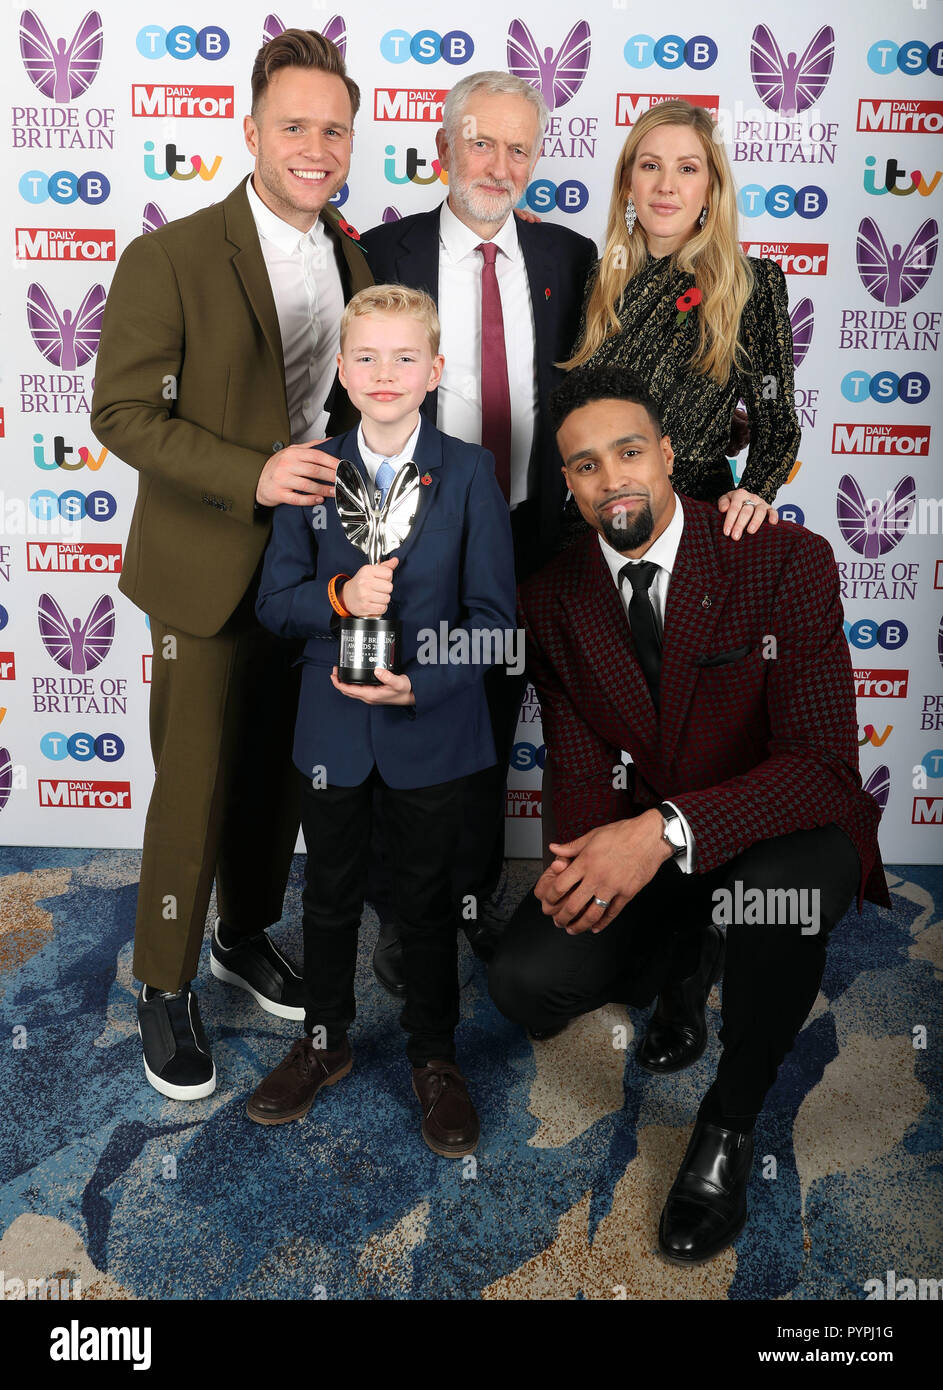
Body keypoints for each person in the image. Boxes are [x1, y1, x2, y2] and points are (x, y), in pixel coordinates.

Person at [489, 367, 889, 1262]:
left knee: (772, 899)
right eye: (585, 466)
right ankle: (683, 962)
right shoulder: (551, 600)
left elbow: (823, 767)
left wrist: (662, 830)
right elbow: (582, 764)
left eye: (629, 452)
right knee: (525, 979)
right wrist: (585, 862)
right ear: (568, 484)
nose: (612, 478)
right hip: (662, 848)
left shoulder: (784, 558)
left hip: (784, 833)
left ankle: (728, 1123)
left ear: (669, 456)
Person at [90, 29, 372, 1101]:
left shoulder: (351, 254)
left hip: (308, 564)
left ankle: (242, 938)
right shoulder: (169, 256)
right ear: (251, 131)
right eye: (293, 126)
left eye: (332, 128)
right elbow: (120, 409)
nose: (314, 144)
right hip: (206, 557)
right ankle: (164, 982)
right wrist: (250, 474)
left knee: (271, 775)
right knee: (196, 779)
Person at [248, 285, 515, 1156]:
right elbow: (276, 603)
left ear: (435, 370)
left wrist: (421, 681)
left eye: (406, 357)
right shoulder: (313, 468)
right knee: (326, 897)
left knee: (427, 903)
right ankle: (323, 1042)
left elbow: (494, 623)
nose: (385, 373)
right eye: (366, 356)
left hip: (429, 729)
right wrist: (338, 596)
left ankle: (434, 1057)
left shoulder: (470, 471)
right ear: (340, 369)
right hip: (333, 731)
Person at [358, 71, 597, 987]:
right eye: (482, 142)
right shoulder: (381, 251)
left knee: (490, 720)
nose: (499, 165)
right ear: (445, 146)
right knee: (401, 710)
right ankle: (397, 912)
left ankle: (468, 899)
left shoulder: (568, 260)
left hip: (528, 530)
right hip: (409, 531)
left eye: (518, 148)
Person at [565, 98, 800, 539]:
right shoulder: (596, 279)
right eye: (651, 166)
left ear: (711, 187)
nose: (666, 186)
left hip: (692, 522)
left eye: (687, 169)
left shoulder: (750, 284)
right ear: (627, 185)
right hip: (590, 522)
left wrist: (756, 489)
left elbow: (775, 414)